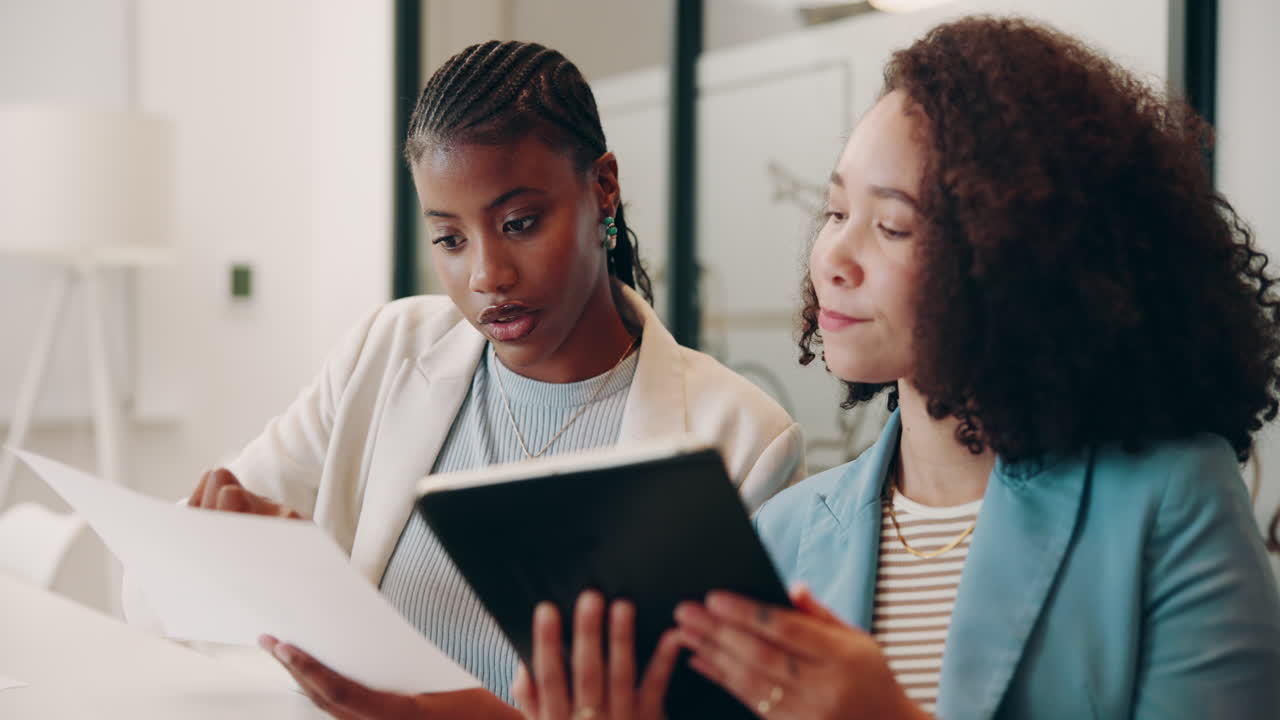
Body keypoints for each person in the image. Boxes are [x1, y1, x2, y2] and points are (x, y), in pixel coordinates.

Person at [516, 16, 1280, 720]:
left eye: (891, 226)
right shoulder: (784, 535)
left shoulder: (1173, 503)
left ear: (1022, 256)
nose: (834, 260)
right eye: (835, 212)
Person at [124, 40, 805, 719]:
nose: (487, 276)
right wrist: (247, 558)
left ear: (603, 187)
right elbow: (151, 598)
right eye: (450, 239)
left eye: (519, 223)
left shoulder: (743, 440)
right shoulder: (385, 352)